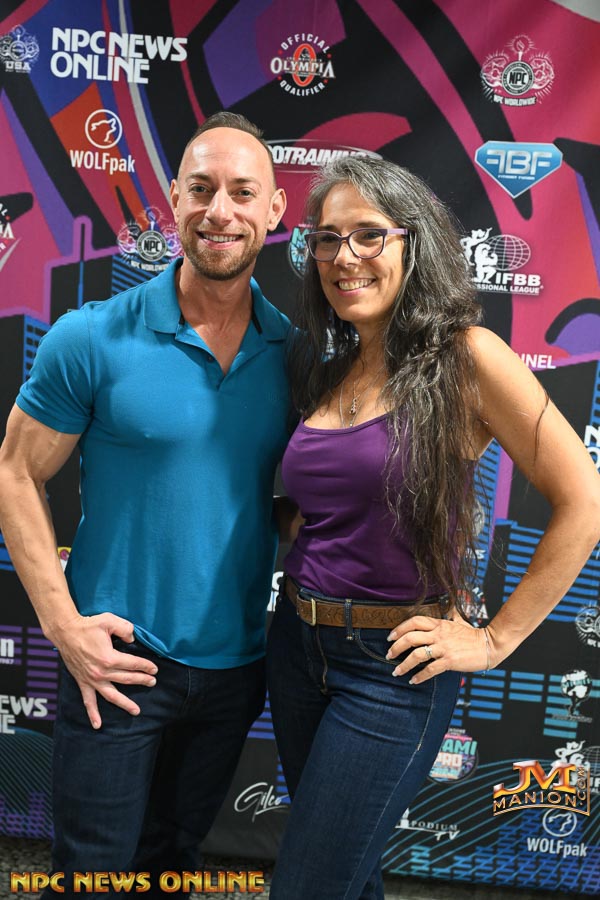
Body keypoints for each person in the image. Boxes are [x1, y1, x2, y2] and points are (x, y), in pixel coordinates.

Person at [265, 155, 600, 900]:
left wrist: (494, 640)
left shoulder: (466, 358)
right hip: (297, 647)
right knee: (347, 880)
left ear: (413, 243)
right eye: (327, 239)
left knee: (307, 887)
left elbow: (585, 501)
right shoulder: (328, 367)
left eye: (368, 235)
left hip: (391, 670)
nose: (344, 256)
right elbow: (320, 512)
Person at [0, 112, 288, 896]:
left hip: (236, 670)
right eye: (201, 189)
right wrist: (63, 627)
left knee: (172, 866)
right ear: (173, 201)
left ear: (274, 209)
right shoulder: (91, 337)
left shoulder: (295, 354)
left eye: (241, 192)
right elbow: (15, 473)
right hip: (117, 663)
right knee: (90, 876)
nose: (219, 210)